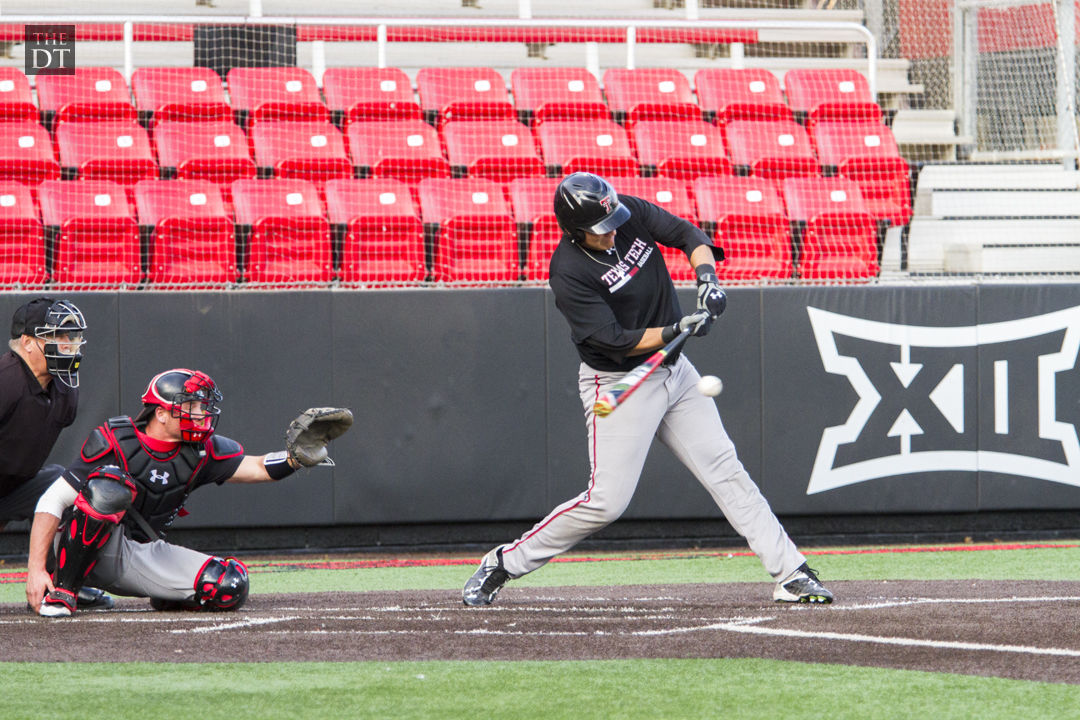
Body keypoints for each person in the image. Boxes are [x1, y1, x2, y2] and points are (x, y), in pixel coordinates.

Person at [463, 172, 833, 607]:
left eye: (613, 220)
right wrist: (677, 327)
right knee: (606, 502)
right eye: (600, 230)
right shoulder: (568, 272)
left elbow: (685, 232)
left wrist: (707, 278)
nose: (613, 231)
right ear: (575, 232)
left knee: (725, 469)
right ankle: (504, 562)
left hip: (676, 372)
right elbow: (615, 339)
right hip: (621, 381)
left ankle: (791, 572)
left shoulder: (627, 214)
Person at [25, 368, 353, 617]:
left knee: (228, 586)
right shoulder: (114, 440)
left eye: (202, 406)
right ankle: (65, 590)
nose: (201, 414)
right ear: (162, 413)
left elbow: (256, 467)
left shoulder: (201, 450)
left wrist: (294, 459)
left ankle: (160, 590)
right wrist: (36, 569)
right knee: (108, 486)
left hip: (134, 553)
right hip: (72, 544)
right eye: (192, 406)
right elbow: (52, 500)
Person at [0, 298, 111, 610]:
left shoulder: (64, 389)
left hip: (12, 488)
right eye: (60, 338)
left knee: (72, 488)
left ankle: (63, 583)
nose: (70, 346)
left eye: (73, 338)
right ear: (28, 343)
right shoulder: (6, 381)